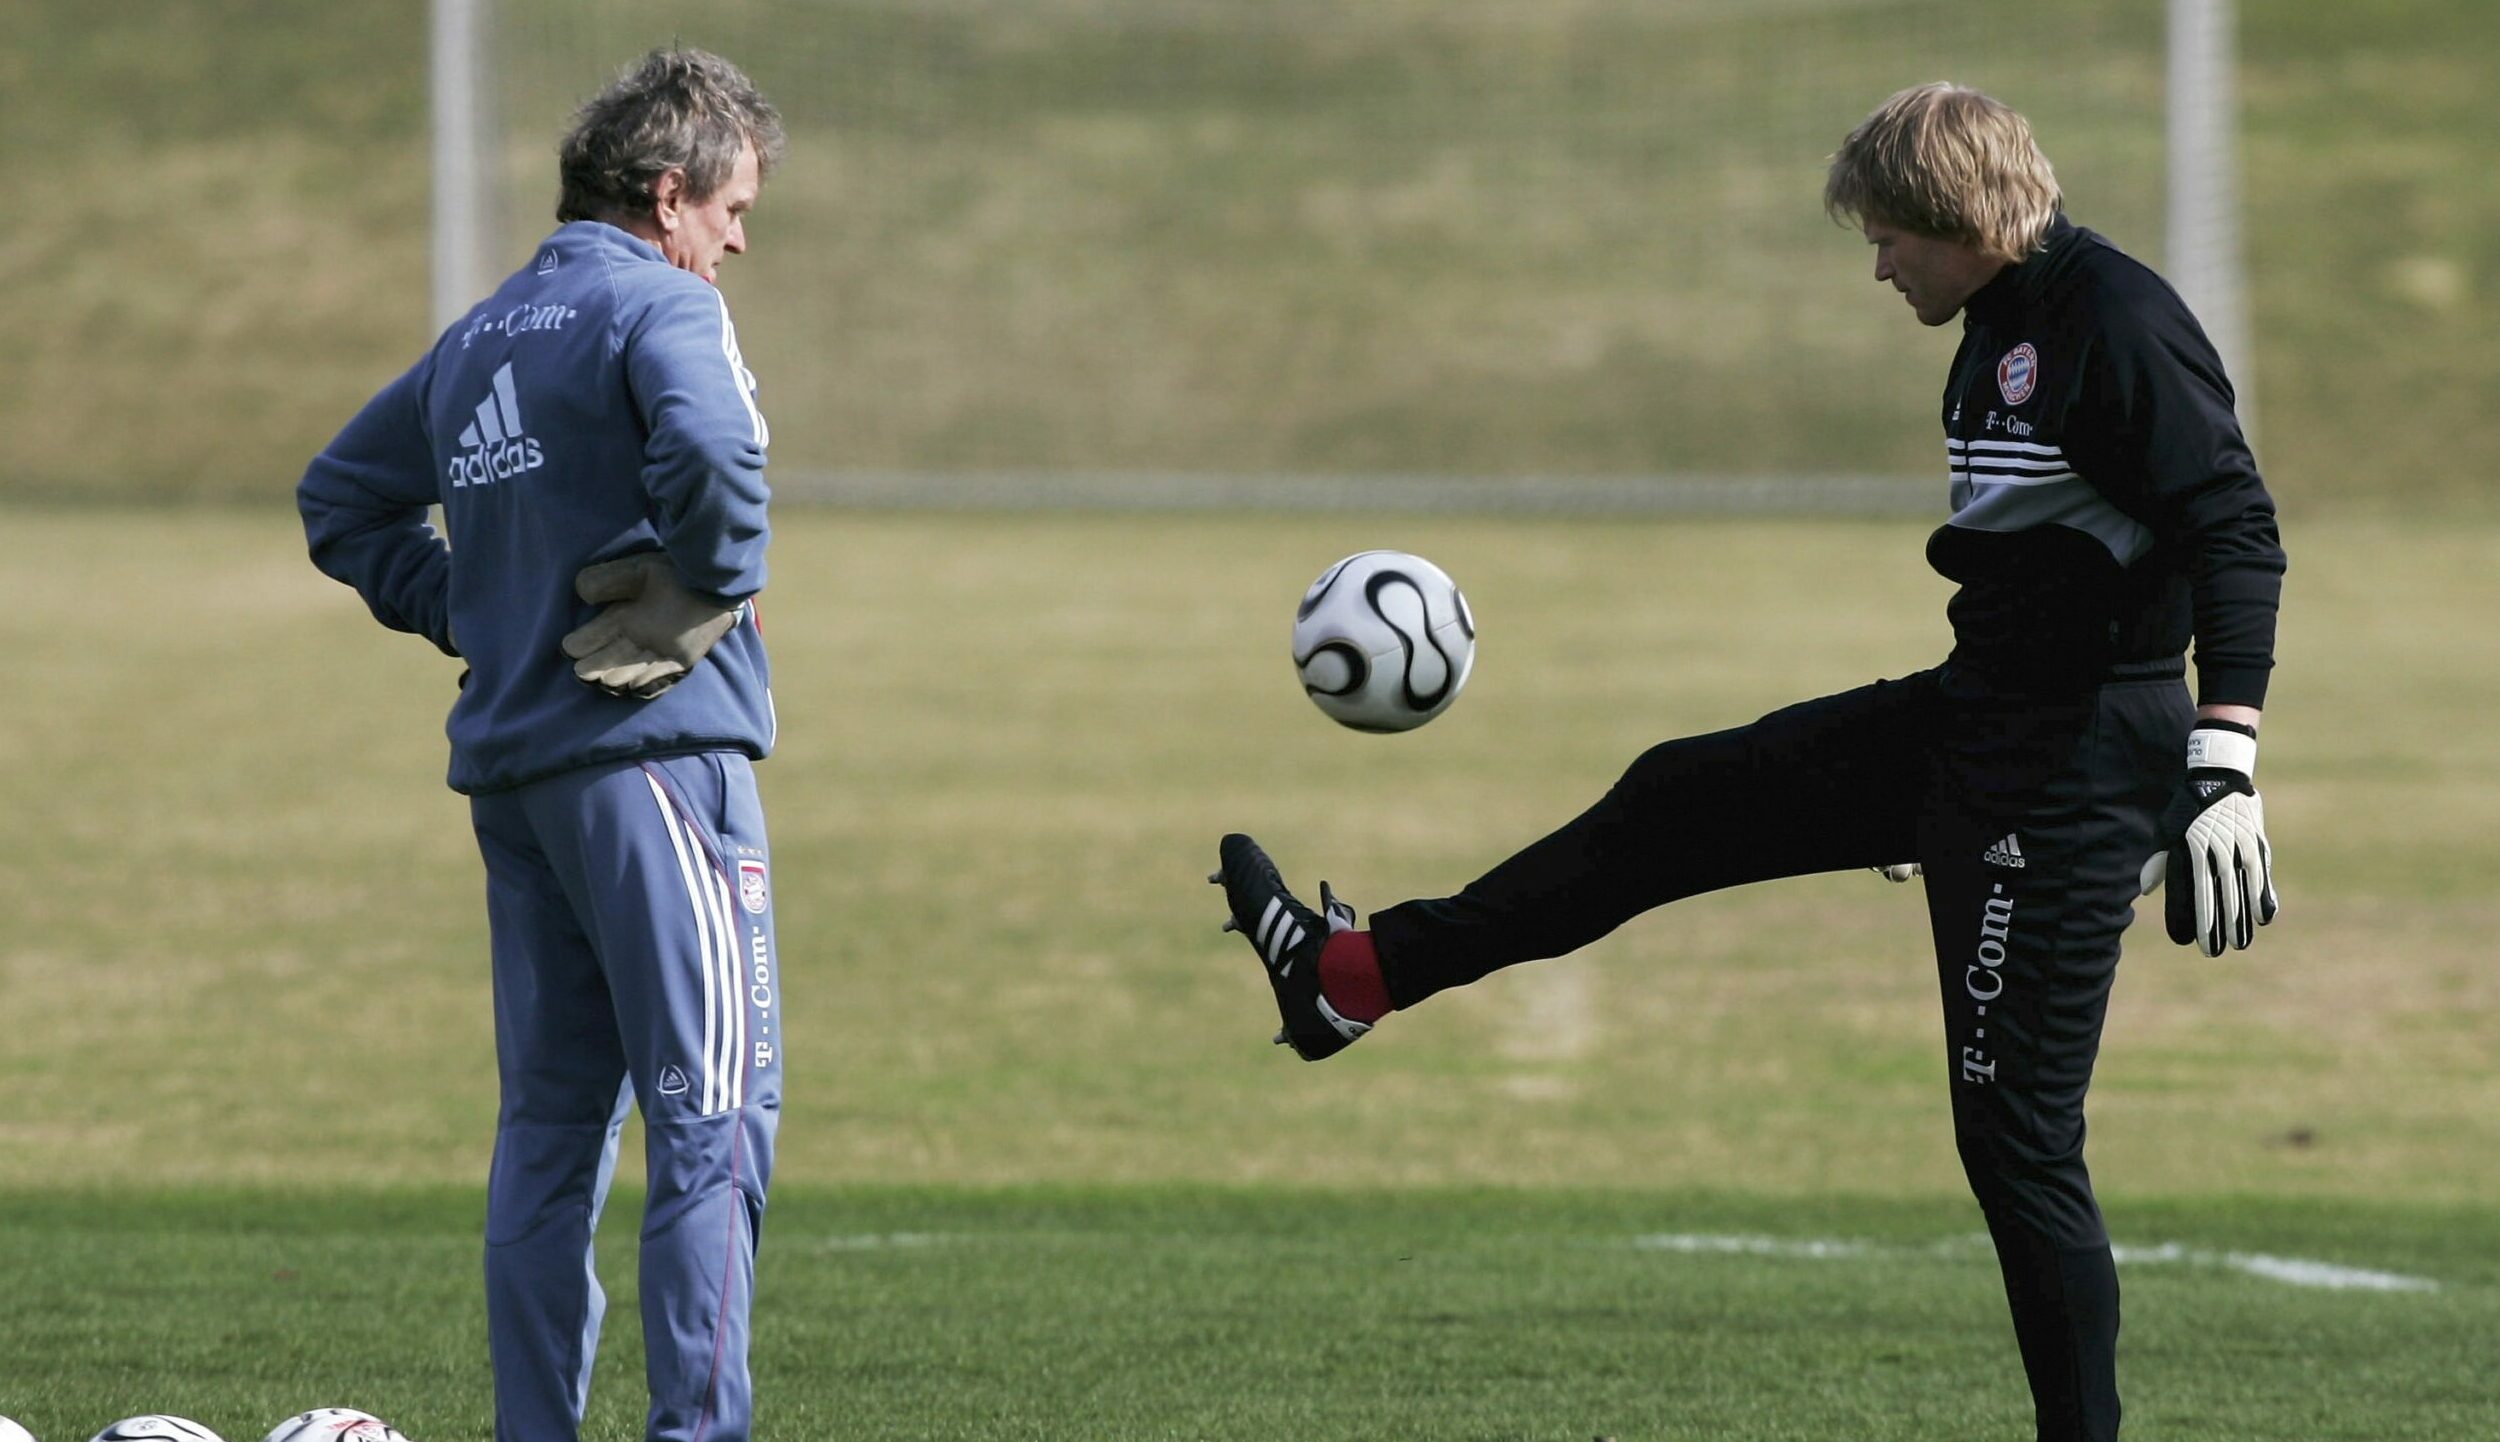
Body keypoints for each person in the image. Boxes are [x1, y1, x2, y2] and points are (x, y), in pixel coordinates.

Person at [1212, 82, 2283, 1442]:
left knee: (2016, 1141)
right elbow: (2048, 579)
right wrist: (1912, 786)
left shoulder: (2116, 323)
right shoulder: (2000, 320)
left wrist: (2219, 764)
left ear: (1961, 215)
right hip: (1976, 730)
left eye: (1892, 237)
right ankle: (1350, 980)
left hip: (2060, 773)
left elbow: (2236, 530)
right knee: (1678, 797)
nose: (1879, 265)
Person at [297, 49, 788, 1442]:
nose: (740, 241)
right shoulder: (663, 303)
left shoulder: (483, 335)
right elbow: (715, 455)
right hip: (656, 767)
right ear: (672, 195)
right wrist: (712, 575)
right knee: (715, 1116)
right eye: (735, 209)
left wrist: (477, 607)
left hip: (519, 785)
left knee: (553, 1136)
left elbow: (339, 496)